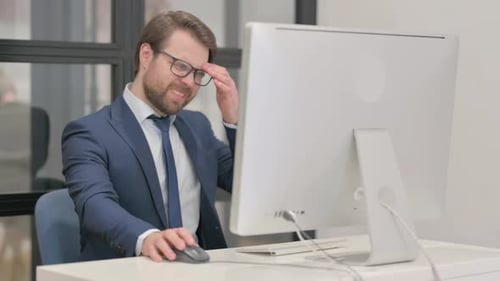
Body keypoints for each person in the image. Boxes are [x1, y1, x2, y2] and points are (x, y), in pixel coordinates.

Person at [61, 10, 239, 262]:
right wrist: (148, 238)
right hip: (130, 269)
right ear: (146, 56)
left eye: (198, 73)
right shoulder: (90, 133)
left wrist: (233, 120)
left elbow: (242, 183)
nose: (190, 82)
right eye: (180, 66)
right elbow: (94, 203)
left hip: (201, 268)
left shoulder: (197, 126)